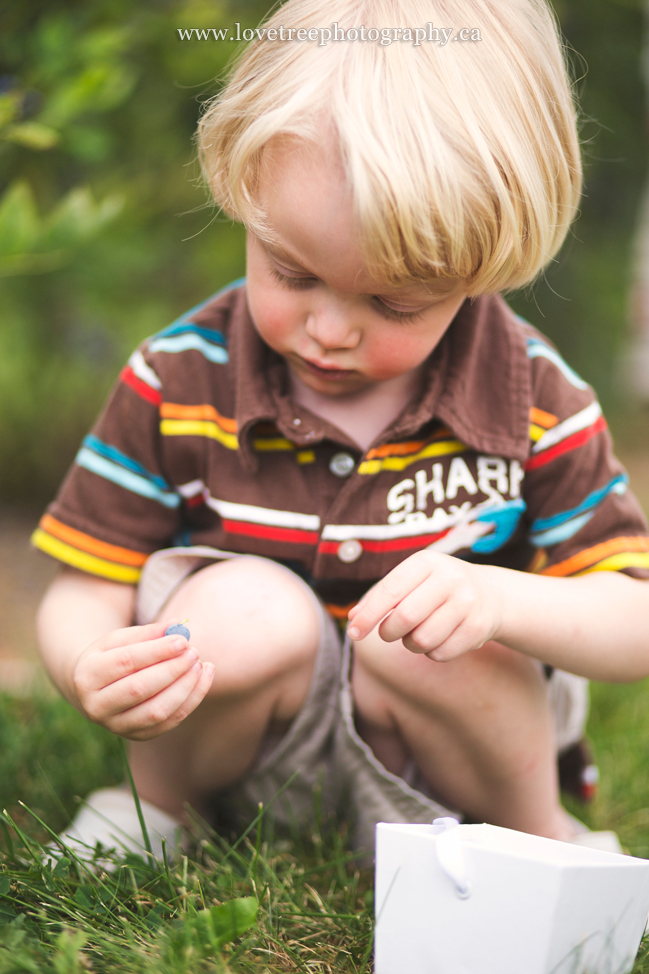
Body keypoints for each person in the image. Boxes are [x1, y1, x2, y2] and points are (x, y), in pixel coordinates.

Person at [34, 0, 649, 863]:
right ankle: (156, 810)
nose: (330, 330)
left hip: (445, 769)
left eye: (394, 302)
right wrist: (88, 662)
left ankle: (539, 839)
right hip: (246, 758)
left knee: (431, 629)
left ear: (479, 267)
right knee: (247, 610)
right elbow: (83, 585)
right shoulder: (179, 378)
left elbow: (633, 620)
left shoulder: (531, 401)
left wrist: (497, 600)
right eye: (292, 272)